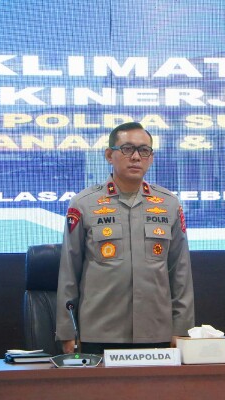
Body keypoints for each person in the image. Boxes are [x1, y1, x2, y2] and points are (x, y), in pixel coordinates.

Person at [56, 122, 194, 354]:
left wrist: (182, 328)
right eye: (127, 149)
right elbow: (69, 270)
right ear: (109, 155)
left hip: (156, 331)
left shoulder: (169, 203)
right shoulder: (84, 203)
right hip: (99, 331)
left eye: (144, 150)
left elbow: (180, 271)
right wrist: (67, 331)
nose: (136, 157)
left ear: (151, 158)